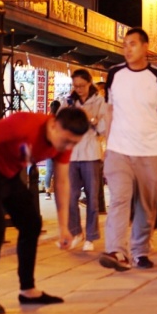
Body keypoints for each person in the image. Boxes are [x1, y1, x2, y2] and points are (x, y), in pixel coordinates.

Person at [0, 106, 88, 314]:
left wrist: (63, 228)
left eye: (73, 143)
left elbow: (61, 183)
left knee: (31, 224)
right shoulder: (24, 123)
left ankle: (28, 290)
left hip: (10, 174)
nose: (68, 146)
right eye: (67, 140)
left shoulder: (65, 141)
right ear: (53, 125)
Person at [99, 28, 157, 272]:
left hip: (150, 151)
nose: (128, 49)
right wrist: (106, 144)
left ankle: (140, 252)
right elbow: (109, 111)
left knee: (146, 205)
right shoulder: (114, 74)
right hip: (119, 149)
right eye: (125, 45)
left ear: (145, 47)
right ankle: (116, 251)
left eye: (133, 44)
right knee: (119, 199)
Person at [65, 69, 106, 252]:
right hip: (72, 154)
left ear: (90, 83)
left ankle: (91, 236)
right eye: (76, 86)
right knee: (70, 196)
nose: (79, 89)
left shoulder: (99, 102)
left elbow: (105, 128)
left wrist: (89, 117)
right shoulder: (68, 102)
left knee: (92, 197)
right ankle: (76, 232)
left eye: (82, 85)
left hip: (91, 154)